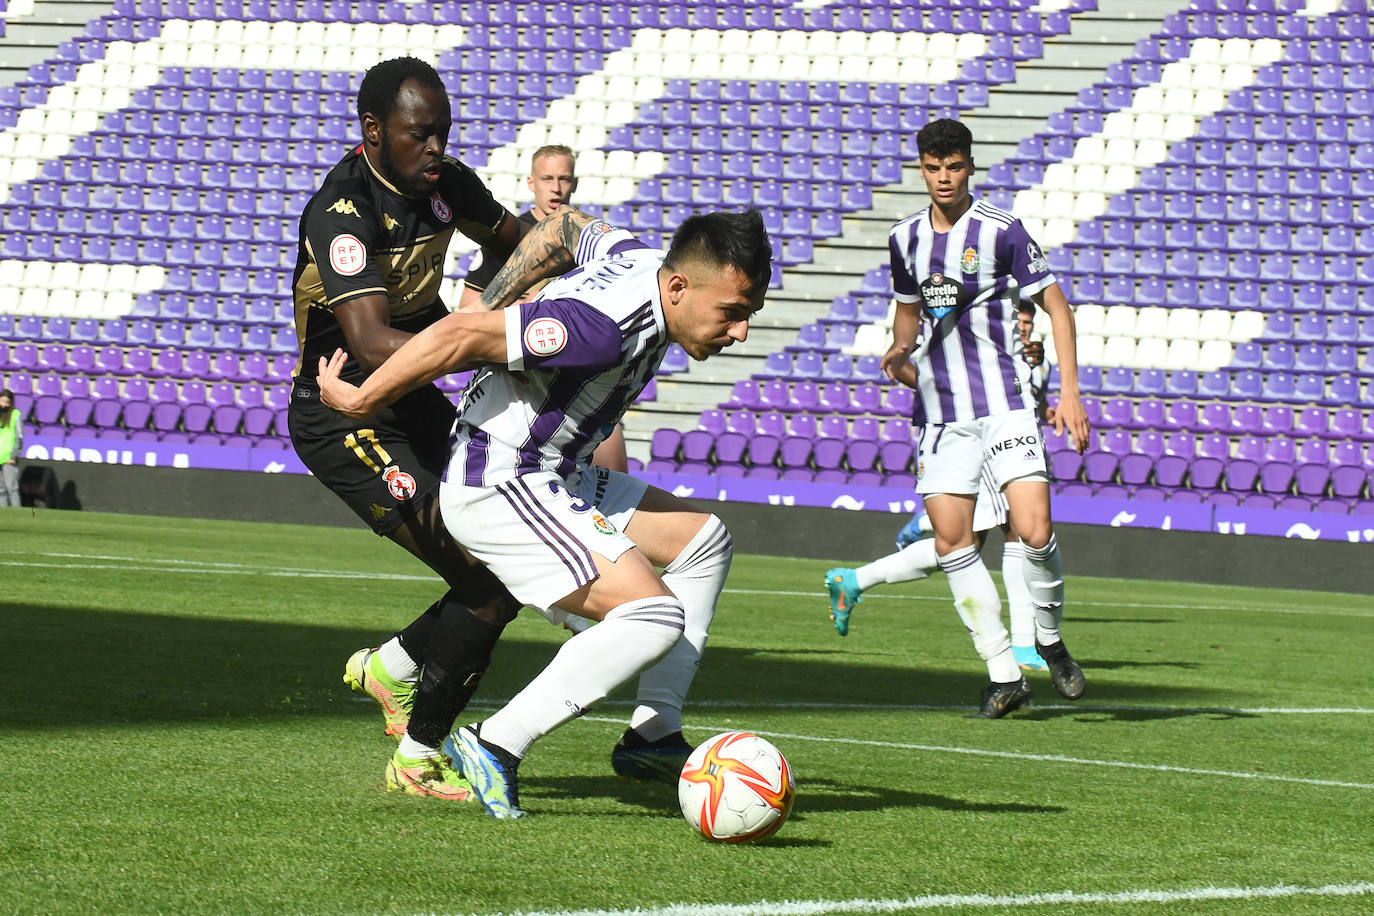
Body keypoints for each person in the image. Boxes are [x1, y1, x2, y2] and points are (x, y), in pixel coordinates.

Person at [317, 207, 773, 818]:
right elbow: (461, 336)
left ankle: (652, 737)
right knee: (654, 615)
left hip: (557, 470)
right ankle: (497, 744)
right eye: (733, 312)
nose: (740, 331)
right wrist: (363, 397)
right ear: (679, 287)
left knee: (704, 542)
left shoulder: (636, 258)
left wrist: (500, 302)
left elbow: (563, 228)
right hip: (503, 479)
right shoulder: (600, 328)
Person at [287, 56, 533, 801]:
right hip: (344, 414)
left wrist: (485, 301)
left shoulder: (447, 187)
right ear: (373, 132)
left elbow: (520, 245)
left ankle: (391, 668)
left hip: (416, 400)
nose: (436, 149)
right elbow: (366, 346)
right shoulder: (342, 213)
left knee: (509, 560)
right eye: (420, 135)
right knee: (487, 582)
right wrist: (487, 340)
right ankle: (417, 758)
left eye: (443, 134)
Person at [876, 118, 1091, 719]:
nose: (944, 177)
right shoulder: (905, 239)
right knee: (952, 542)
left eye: (954, 166)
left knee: (1034, 529)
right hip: (942, 417)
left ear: (970, 167)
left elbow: (1058, 307)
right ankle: (1003, 672)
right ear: (921, 168)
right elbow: (908, 316)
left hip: (1005, 406)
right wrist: (898, 352)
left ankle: (1048, 640)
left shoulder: (1002, 231)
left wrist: (1069, 392)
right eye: (933, 167)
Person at [825, 301, 1059, 674]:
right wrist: (945, 395)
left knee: (971, 544)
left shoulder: (1034, 360)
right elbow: (902, 365)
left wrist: (1044, 403)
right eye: (1020, 321)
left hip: (1012, 445)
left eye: (1029, 323)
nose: (1025, 329)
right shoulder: (973, 348)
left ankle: (855, 579)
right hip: (976, 440)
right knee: (1011, 534)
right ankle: (1023, 645)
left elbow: (1035, 401)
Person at [458, 144, 629, 473]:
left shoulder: (593, 242)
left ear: (575, 183)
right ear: (530, 183)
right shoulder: (505, 240)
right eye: (547, 178)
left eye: (564, 178)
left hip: (583, 383)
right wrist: (529, 310)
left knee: (613, 475)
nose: (556, 187)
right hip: (519, 388)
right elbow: (467, 313)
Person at [0, 390, 22, 506]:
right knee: (1, 490)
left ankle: (18, 514)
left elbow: (19, 437)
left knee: (12, 488)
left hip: (9, 457)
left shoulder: (15, 414)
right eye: (2, 401)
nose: (3, 404)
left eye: (6, 402)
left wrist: (14, 456)